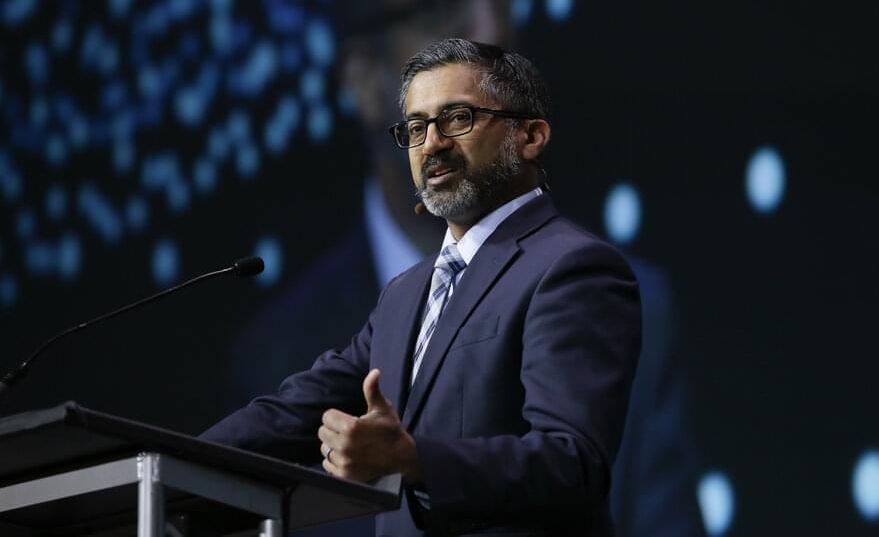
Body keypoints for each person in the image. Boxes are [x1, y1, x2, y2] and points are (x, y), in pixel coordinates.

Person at [202, 38, 642, 536]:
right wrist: (166, 462)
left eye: (457, 118)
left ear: (531, 136)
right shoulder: (405, 292)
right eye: (415, 128)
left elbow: (572, 463)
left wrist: (414, 460)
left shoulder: (572, 267)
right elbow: (296, 412)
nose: (431, 143)